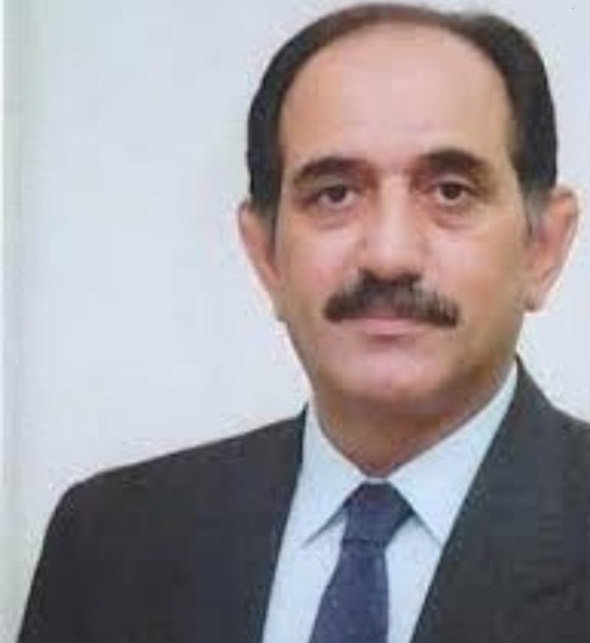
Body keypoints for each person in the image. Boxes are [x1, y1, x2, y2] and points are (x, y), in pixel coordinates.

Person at [18, 3, 590, 643]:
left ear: (543, 246)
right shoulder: (110, 543)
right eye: (334, 194)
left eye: (450, 191)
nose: (389, 255)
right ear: (265, 254)